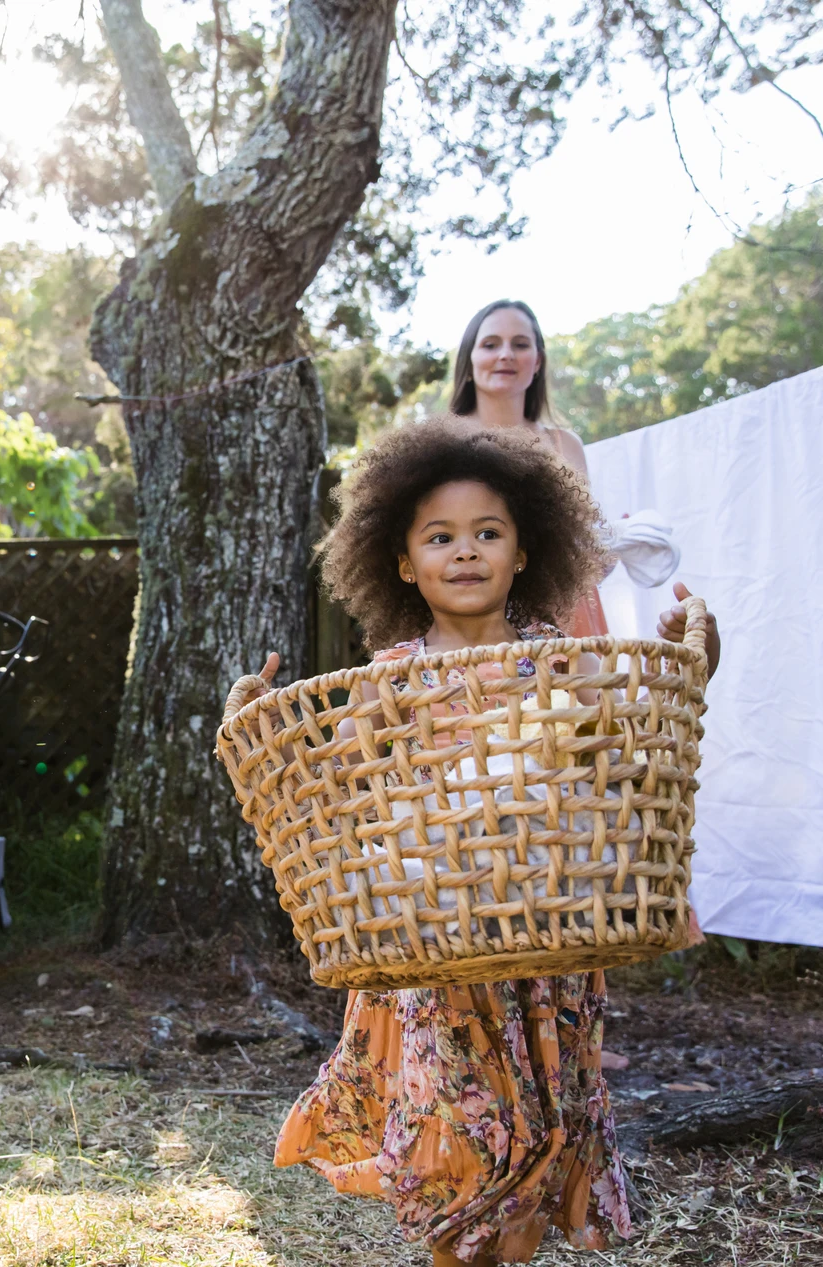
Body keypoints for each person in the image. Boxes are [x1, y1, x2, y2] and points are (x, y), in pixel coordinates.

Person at [226, 425, 719, 1266]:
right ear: (405, 562)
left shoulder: (561, 662)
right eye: (439, 537)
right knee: (459, 1134)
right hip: (440, 947)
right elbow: (329, 780)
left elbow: (636, 737)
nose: (466, 552)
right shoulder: (391, 677)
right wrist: (254, 723)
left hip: (544, 939)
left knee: (537, 1130)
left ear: (526, 551)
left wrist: (695, 656)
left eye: (488, 533)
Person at [444, 298, 609, 637]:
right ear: (469, 360)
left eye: (520, 344)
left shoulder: (566, 446)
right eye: (491, 344)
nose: (506, 354)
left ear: (537, 362)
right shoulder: (443, 445)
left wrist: (614, 547)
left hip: (567, 619)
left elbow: (584, 557)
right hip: (475, 620)